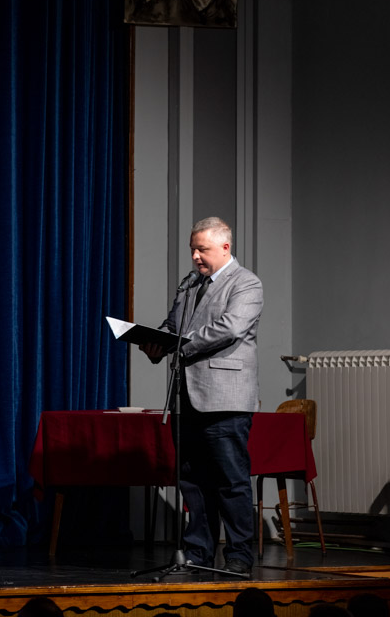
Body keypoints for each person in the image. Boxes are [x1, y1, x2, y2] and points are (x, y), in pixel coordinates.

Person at [141, 216, 263, 576]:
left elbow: (229, 328)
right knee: (193, 482)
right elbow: (173, 326)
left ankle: (239, 555)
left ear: (225, 247)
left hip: (225, 398)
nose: (195, 256)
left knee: (230, 481)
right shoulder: (190, 285)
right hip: (187, 397)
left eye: (202, 249)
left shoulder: (246, 283)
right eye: (193, 249)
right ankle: (198, 553)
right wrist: (155, 341)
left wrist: (178, 344)